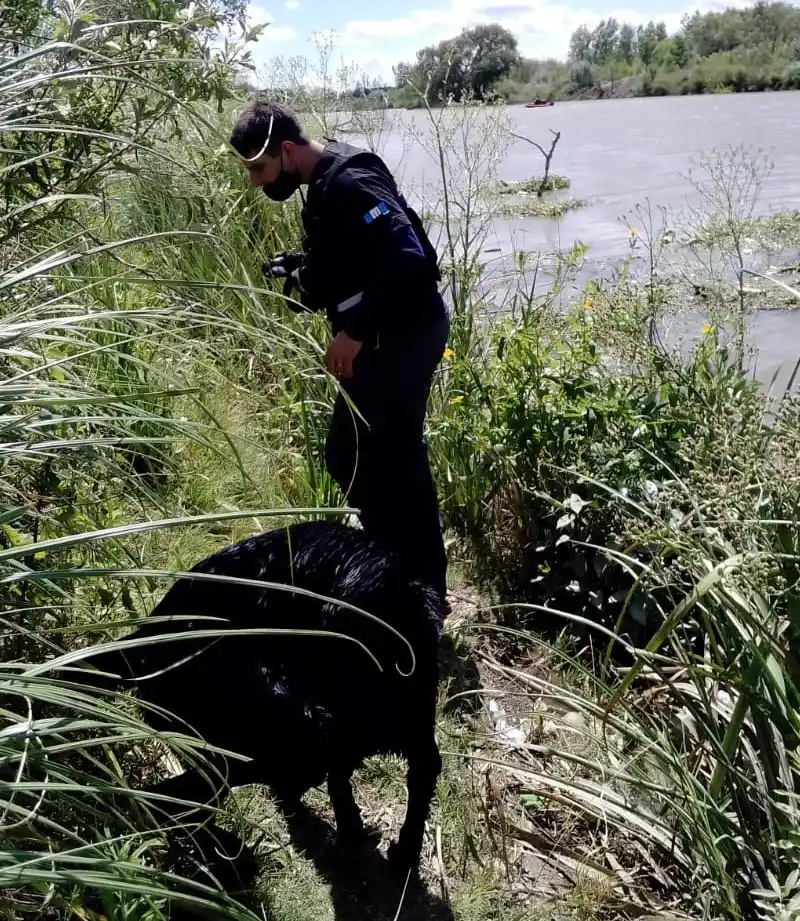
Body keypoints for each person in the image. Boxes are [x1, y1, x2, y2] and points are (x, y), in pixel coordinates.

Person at [229, 98, 450, 601]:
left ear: (287, 149)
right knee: (352, 455)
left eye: (259, 169)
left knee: (391, 458)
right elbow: (363, 254)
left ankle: (424, 592)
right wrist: (305, 267)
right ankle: (388, 568)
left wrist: (353, 332)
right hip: (389, 332)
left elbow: (410, 261)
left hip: (404, 335)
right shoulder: (327, 185)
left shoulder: (350, 181)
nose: (256, 182)